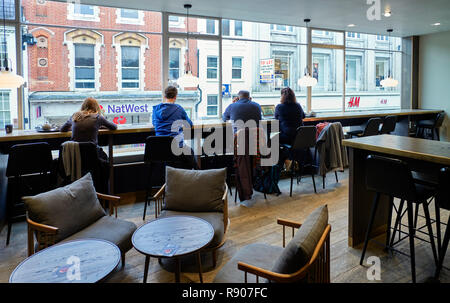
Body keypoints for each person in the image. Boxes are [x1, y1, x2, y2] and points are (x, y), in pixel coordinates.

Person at [152, 86, 197, 169]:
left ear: (164, 96)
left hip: (160, 147)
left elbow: (154, 124)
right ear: (175, 97)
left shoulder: (156, 109)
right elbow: (189, 124)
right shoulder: (179, 109)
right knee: (190, 153)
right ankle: (196, 176)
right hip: (176, 146)